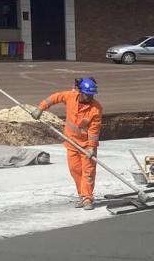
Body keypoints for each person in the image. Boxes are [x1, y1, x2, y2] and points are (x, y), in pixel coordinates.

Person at [31, 78, 102, 210]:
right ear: (80, 92)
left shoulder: (96, 109)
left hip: (86, 146)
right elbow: (54, 98)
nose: (90, 98)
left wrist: (92, 147)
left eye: (92, 95)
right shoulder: (70, 97)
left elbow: (94, 130)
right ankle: (82, 196)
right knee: (75, 170)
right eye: (88, 95)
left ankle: (87, 198)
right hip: (71, 143)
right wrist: (40, 108)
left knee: (88, 173)